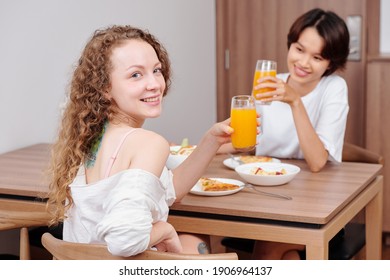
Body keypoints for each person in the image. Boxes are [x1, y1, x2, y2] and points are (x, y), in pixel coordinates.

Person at [46, 25, 234, 257]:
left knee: (194, 239)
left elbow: (168, 191)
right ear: (105, 88)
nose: (154, 84)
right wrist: (164, 230)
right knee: (203, 243)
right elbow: (124, 240)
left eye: (156, 70)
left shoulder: (91, 137)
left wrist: (211, 141)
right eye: (136, 75)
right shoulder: (148, 143)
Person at [220, 8, 350, 259]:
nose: (303, 63)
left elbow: (317, 162)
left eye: (317, 57)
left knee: (271, 245)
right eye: (299, 50)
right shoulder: (270, 81)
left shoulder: (333, 87)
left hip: (317, 206)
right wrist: (199, 148)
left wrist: (295, 102)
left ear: (331, 63)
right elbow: (250, 143)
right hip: (267, 198)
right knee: (286, 256)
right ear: (290, 45)